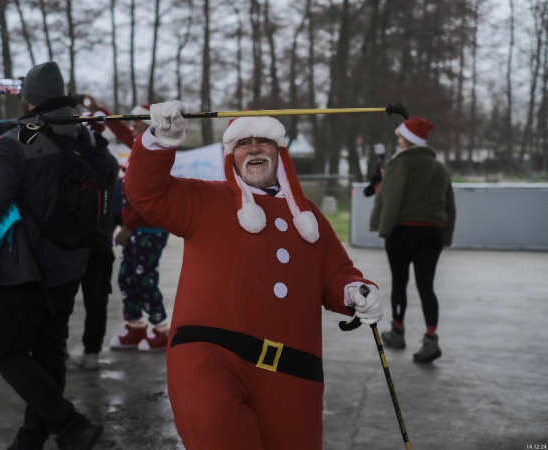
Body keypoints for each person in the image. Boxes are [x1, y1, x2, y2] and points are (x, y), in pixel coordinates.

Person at [124, 101, 383, 450]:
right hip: (210, 356)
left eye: (264, 140)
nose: (254, 148)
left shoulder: (310, 218)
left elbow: (336, 274)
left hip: (294, 372)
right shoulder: (205, 199)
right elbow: (147, 193)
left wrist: (355, 291)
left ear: (280, 152)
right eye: (244, 143)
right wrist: (161, 140)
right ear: (231, 155)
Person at [0, 61, 103, 450]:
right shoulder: (86, 137)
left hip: (24, 269)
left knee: (7, 352)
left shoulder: (15, 141)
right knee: (49, 354)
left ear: (27, 99)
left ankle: (69, 424)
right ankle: (30, 439)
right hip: (70, 265)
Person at [86, 97, 172, 351]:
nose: (132, 126)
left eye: (137, 123)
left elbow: (145, 198)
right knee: (127, 278)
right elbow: (121, 129)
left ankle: (162, 329)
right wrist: (99, 109)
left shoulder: (154, 151)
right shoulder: (139, 144)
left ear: (150, 126)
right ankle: (135, 328)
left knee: (144, 279)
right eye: (132, 122)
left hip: (149, 228)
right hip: (135, 229)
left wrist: (128, 227)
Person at [370, 116, 456, 363]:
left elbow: (393, 198)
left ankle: (398, 331)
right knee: (426, 287)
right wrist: (446, 235)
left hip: (403, 233)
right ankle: (431, 337)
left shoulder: (401, 164)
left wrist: (384, 228)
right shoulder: (439, 168)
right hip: (432, 234)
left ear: (408, 140)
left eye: (400, 136)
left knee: (400, 283)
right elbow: (450, 205)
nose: (398, 140)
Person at [71, 98, 119, 370]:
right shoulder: (109, 161)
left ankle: (59, 349)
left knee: (59, 299)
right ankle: (92, 352)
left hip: (72, 242)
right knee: (97, 300)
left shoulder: (73, 156)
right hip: (100, 242)